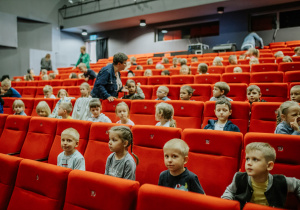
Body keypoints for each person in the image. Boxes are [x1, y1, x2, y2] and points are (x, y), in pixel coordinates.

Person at [221, 142, 300, 209]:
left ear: (269, 166)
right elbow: (230, 191)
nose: (248, 163)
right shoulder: (239, 177)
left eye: (255, 159)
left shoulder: (281, 181)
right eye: (247, 159)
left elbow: (298, 185)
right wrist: (226, 203)